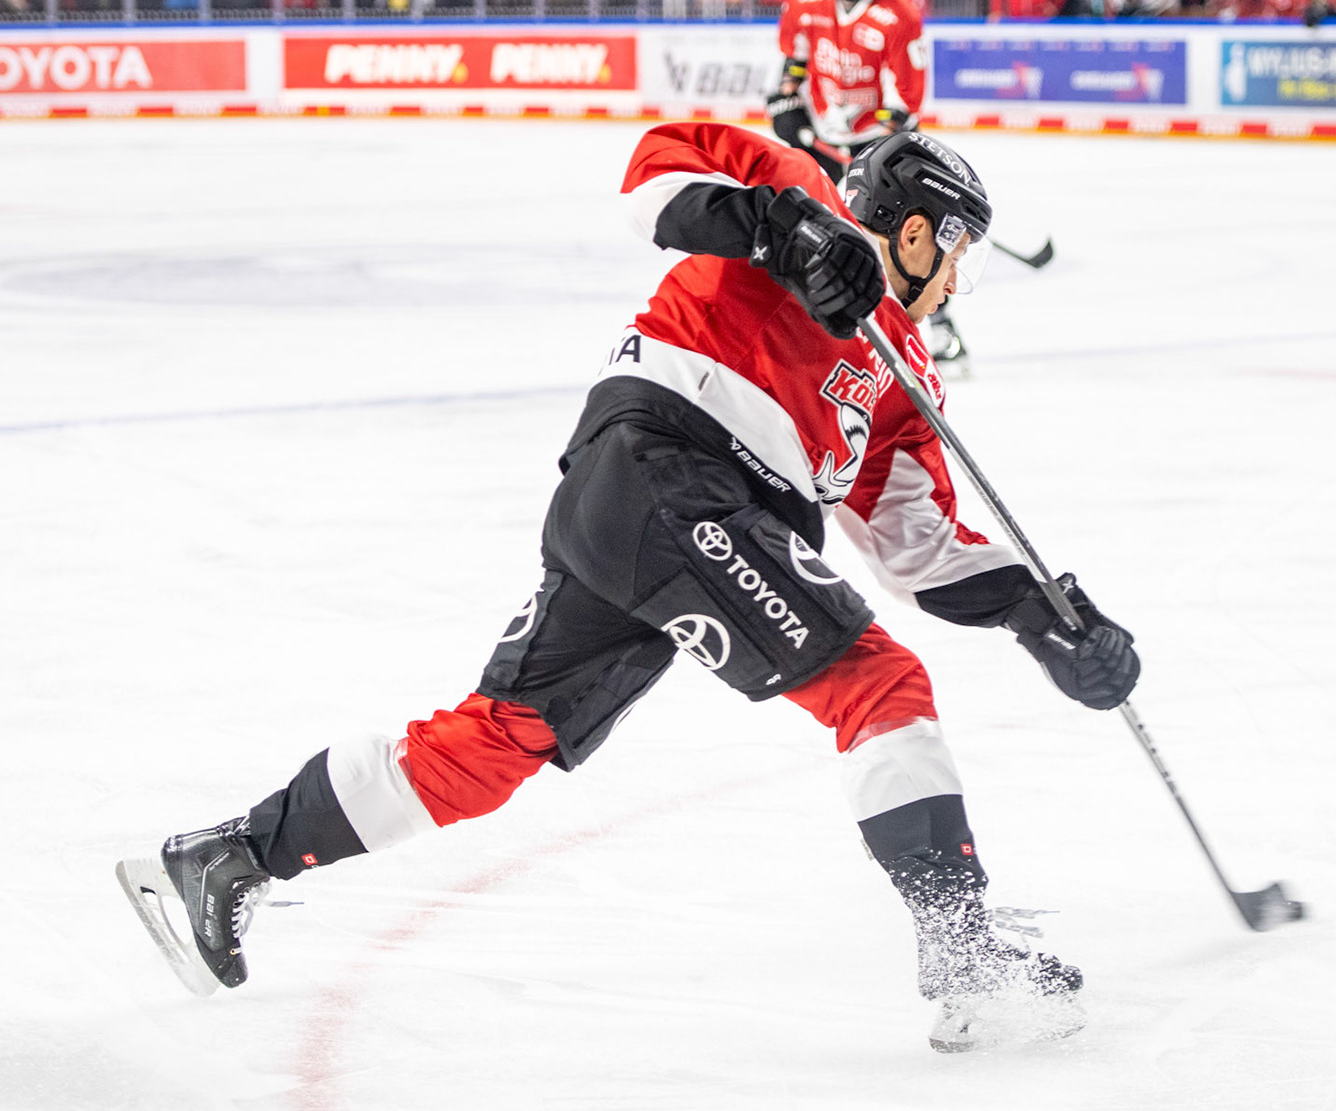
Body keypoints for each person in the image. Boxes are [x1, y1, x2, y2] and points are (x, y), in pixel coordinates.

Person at [119, 122, 1141, 1055]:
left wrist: (1041, 613)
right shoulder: (799, 188)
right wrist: (778, 231)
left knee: (495, 739)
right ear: (912, 233)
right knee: (876, 686)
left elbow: (916, 540)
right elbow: (654, 170)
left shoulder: (904, 372)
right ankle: (960, 950)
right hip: (671, 468)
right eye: (954, 249)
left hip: (656, 513)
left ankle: (232, 856)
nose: (957, 279)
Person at [767, 0, 962, 366]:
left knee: (902, 233)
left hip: (874, 143)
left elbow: (905, 102)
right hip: (823, 136)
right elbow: (792, 66)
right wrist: (788, 108)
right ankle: (807, 326)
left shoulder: (898, 16)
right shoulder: (807, 2)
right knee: (806, 222)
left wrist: (874, 149)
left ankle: (942, 327)